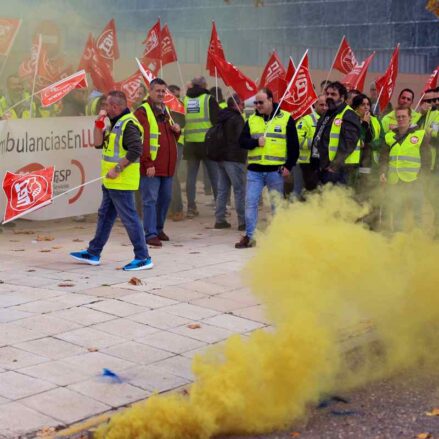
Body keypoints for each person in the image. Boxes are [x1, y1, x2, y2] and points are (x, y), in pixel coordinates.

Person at [70, 91, 153, 271]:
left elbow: (135, 150)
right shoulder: (114, 123)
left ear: (115, 106)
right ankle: (93, 252)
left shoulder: (129, 124)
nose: (104, 108)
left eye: (106, 105)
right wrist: (99, 123)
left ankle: (143, 256)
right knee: (105, 216)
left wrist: (118, 168)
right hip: (111, 182)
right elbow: (97, 143)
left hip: (121, 181)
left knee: (130, 219)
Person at [236, 87, 299, 248]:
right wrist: (256, 142)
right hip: (254, 171)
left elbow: (294, 147)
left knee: (276, 204)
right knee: (250, 202)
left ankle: (278, 236)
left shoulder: (285, 118)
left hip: (275, 171)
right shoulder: (251, 119)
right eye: (256, 102)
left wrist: (289, 166)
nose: (257, 105)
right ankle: (250, 236)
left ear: (271, 100)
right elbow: (241, 141)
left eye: (261, 102)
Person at [134, 78, 181, 247]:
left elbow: (168, 136)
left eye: (163, 91)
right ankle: (150, 233)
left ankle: (158, 228)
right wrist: (147, 164)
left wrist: (177, 131)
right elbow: (142, 140)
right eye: (158, 91)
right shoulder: (143, 112)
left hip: (167, 166)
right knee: (150, 200)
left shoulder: (165, 110)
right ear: (150, 91)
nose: (161, 94)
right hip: (152, 166)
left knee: (165, 199)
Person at [380, 107, 429, 232]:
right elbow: (384, 158)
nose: (401, 119)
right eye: (399, 117)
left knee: (417, 213)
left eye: (404, 116)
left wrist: (423, 176)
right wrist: (382, 173)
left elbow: (426, 159)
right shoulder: (389, 136)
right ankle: (399, 240)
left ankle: (417, 241)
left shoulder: (420, 135)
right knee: (397, 213)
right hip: (395, 180)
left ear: (410, 118)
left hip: (415, 180)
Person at [311, 81, 361, 186]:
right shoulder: (327, 113)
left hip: (341, 168)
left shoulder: (348, 114)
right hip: (326, 166)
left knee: (340, 200)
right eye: (327, 93)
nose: (329, 96)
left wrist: (335, 165)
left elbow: (349, 143)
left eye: (333, 94)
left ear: (342, 97)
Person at [183, 76, 220, 217]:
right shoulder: (208, 99)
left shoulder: (185, 100)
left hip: (190, 143)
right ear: (204, 85)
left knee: (191, 177)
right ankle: (219, 207)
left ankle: (191, 208)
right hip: (207, 143)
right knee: (214, 176)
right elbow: (217, 120)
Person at [213, 94, 247, 230]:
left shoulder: (222, 116)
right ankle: (242, 222)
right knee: (239, 190)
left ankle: (220, 220)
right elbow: (241, 139)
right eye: (242, 104)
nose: (243, 106)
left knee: (223, 190)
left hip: (221, 157)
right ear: (235, 104)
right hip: (234, 159)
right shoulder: (237, 118)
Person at [296, 94, 328, 192]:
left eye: (326, 105)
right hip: (307, 163)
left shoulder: (331, 120)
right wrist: (315, 143)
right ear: (314, 105)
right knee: (305, 192)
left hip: (324, 163)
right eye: (321, 105)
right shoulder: (306, 120)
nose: (324, 107)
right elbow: (298, 140)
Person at [167, 84, 186, 222]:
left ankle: (178, 209)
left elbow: (181, 123)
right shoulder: (163, 106)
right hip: (165, 144)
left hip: (177, 144)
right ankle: (169, 207)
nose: (177, 98)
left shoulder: (178, 107)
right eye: (175, 95)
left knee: (173, 176)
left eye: (178, 96)